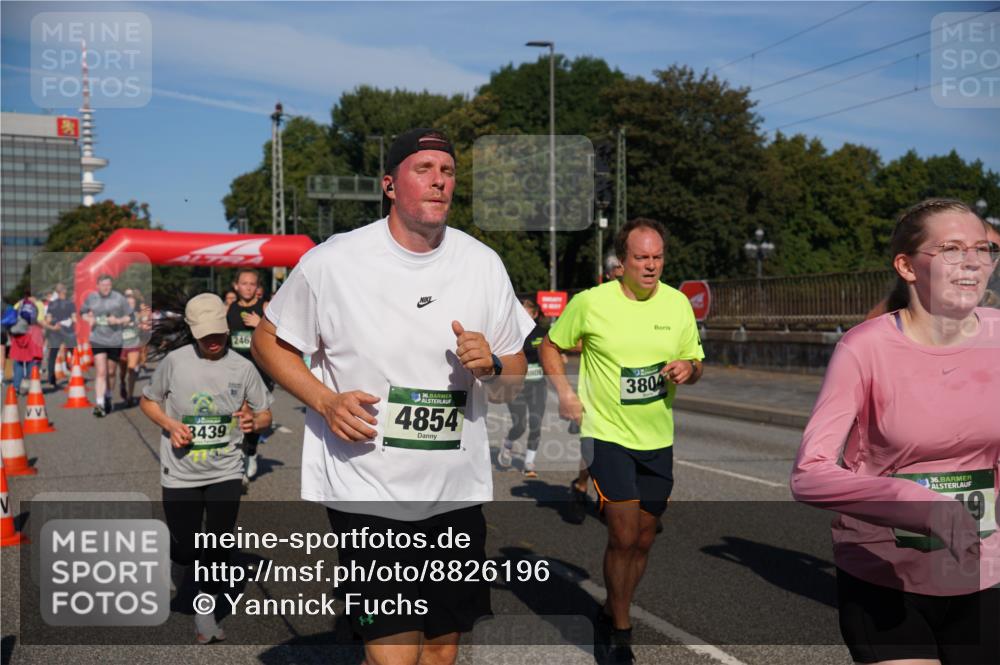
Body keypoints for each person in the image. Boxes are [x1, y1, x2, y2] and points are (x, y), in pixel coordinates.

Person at [251, 128, 532, 665]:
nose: (438, 181)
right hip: (368, 485)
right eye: (423, 168)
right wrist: (325, 400)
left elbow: (512, 381)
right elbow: (268, 340)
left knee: (443, 648)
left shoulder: (482, 264)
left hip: (454, 488)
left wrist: (493, 364)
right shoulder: (334, 262)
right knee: (395, 650)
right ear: (389, 184)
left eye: (447, 171)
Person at [791, 198, 1000, 665]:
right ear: (906, 266)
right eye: (950, 248)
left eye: (983, 249)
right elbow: (809, 473)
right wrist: (919, 507)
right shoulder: (864, 348)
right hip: (884, 575)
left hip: (982, 571)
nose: (972, 262)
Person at [540, 218, 704, 665]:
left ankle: (613, 606)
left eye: (657, 258)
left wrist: (689, 369)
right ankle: (620, 629)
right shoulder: (592, 303)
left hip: (657, 437)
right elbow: (550, 345)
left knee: (645, 539)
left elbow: (696, 359)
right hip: (606, 434)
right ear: (622, 261)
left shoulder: (677, 305)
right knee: (624, 532)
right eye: (641, 258)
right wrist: (567, 394)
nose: (651, 266)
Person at [140, 293, 272, 644]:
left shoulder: (242, 367)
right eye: (205, 334)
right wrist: (170, 425)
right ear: (192, 331)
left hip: (226, 470)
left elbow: (265, 414)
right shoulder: (175, 362)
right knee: (185, 547)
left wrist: (252, 421)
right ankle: (175, 556)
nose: (213, 340)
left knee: (216, 544)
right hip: (180, 471)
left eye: (218, 333)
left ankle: (206, 615)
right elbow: (148, 401)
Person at [568, 253, 628, 522]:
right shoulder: (592, 301)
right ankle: (582, 485)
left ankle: (640, 505)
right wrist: (595, 343)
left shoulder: (642, 300)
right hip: (597, 390)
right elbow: (564, 341)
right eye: (618, 276)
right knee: (594, 446)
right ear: (608, 275)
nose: (623, 281)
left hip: (631, 390)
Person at [226, 267, 274, 487]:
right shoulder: (228, 310)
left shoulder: (265, 308)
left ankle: (251, 451)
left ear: (257, 288)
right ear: (236, 286)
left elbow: (283, 335)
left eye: (252, 284)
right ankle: (240, 457)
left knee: (256, 415)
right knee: (241, 413)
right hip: (235, 371)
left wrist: (260, 325)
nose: (247, 287)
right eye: (243, 283)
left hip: (260, 370)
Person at [497, 299, 548, 478]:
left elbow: (552, 353)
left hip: (537, 386)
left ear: (534, 315)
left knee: (536, 424)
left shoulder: (543, 333)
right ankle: (507, 444)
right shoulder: (511, 333)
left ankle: (528, 462)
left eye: (527, 313)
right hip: (517, 386)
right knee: (519, 425)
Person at [81, 274, 132, 416]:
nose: (106, 288)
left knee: (111, 372)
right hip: (97, 339)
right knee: (101, 371)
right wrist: (89, 318)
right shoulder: (92, 297)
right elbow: (83, 312)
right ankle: (99, 404)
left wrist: (118, 320)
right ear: (98, 286)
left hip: (115, 340)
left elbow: (130, 316)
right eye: (103, 285)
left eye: (108, 285)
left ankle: (108, 396)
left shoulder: (119, 298)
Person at [9, 291, 45, 395]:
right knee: (33, 360)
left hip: (19, 334)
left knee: (19, 361)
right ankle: (32, 386)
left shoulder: (19, 303)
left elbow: (12, 318)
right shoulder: (38, 304)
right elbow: (40, 320)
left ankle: (16, 387)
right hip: (33, 333)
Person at [42, 283, 76, 389]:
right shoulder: (70, 303)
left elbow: (48, 319)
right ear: (64, 291)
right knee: (73, 353)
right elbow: (74, 319)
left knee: (52, 355)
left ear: (57, 292)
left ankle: (52, 381)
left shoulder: (51, 304)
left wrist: (54, 323)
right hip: (68, 330)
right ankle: (74, 376)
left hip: (55, 331)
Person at [118, 290, 146, 407]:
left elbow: (145, 325)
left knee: (132, 368)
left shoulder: (138, 315)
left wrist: (143, 326)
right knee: (123, 371)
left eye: (133, 303)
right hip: (121, 345)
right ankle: (122, 383)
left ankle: (130, 396)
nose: (131, 305)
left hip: (134, 345)